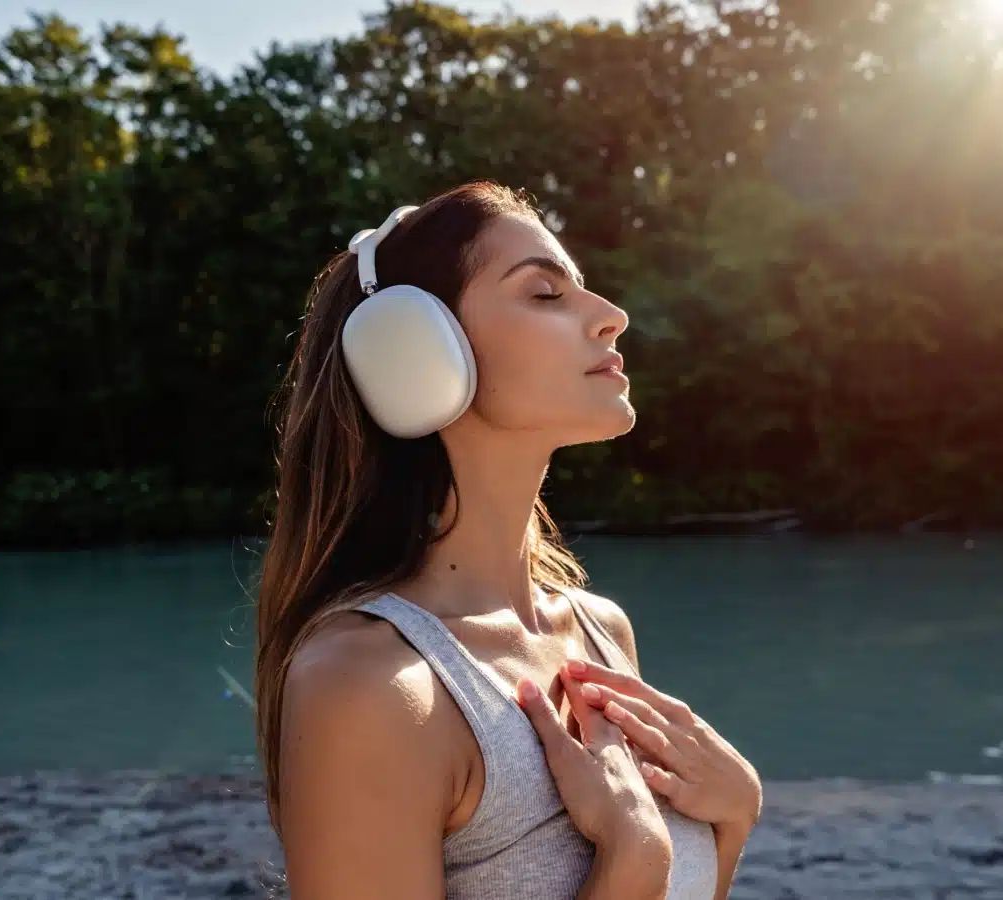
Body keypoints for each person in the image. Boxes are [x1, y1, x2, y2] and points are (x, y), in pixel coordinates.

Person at [253, 181, 762, 899]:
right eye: (545, 294)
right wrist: (631, 860)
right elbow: (641, 875)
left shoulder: (600, 632)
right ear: (415, 352)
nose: (611, 316)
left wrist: (733, 822)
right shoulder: (368, 685)